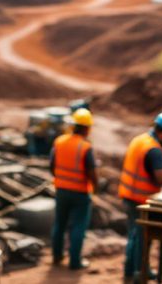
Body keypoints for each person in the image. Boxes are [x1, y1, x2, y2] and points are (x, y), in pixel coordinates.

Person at [120, 111, 162, 283]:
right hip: (141, 200)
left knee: (134, 236)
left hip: (129, 195)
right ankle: (138, 274)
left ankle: (134, 270)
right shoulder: (154, 150)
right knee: (141, 238)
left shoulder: (140, 139)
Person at [50, 108, 98, 270]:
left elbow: (52, 165)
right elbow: (92, 172)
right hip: (80, 192)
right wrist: (96, 187)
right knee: (78, 227)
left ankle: (57, 256)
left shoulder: (59, 141)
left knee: (59, 224)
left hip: (61, 189)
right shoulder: (85, 147)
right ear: (87, 128)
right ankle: (75, 262)